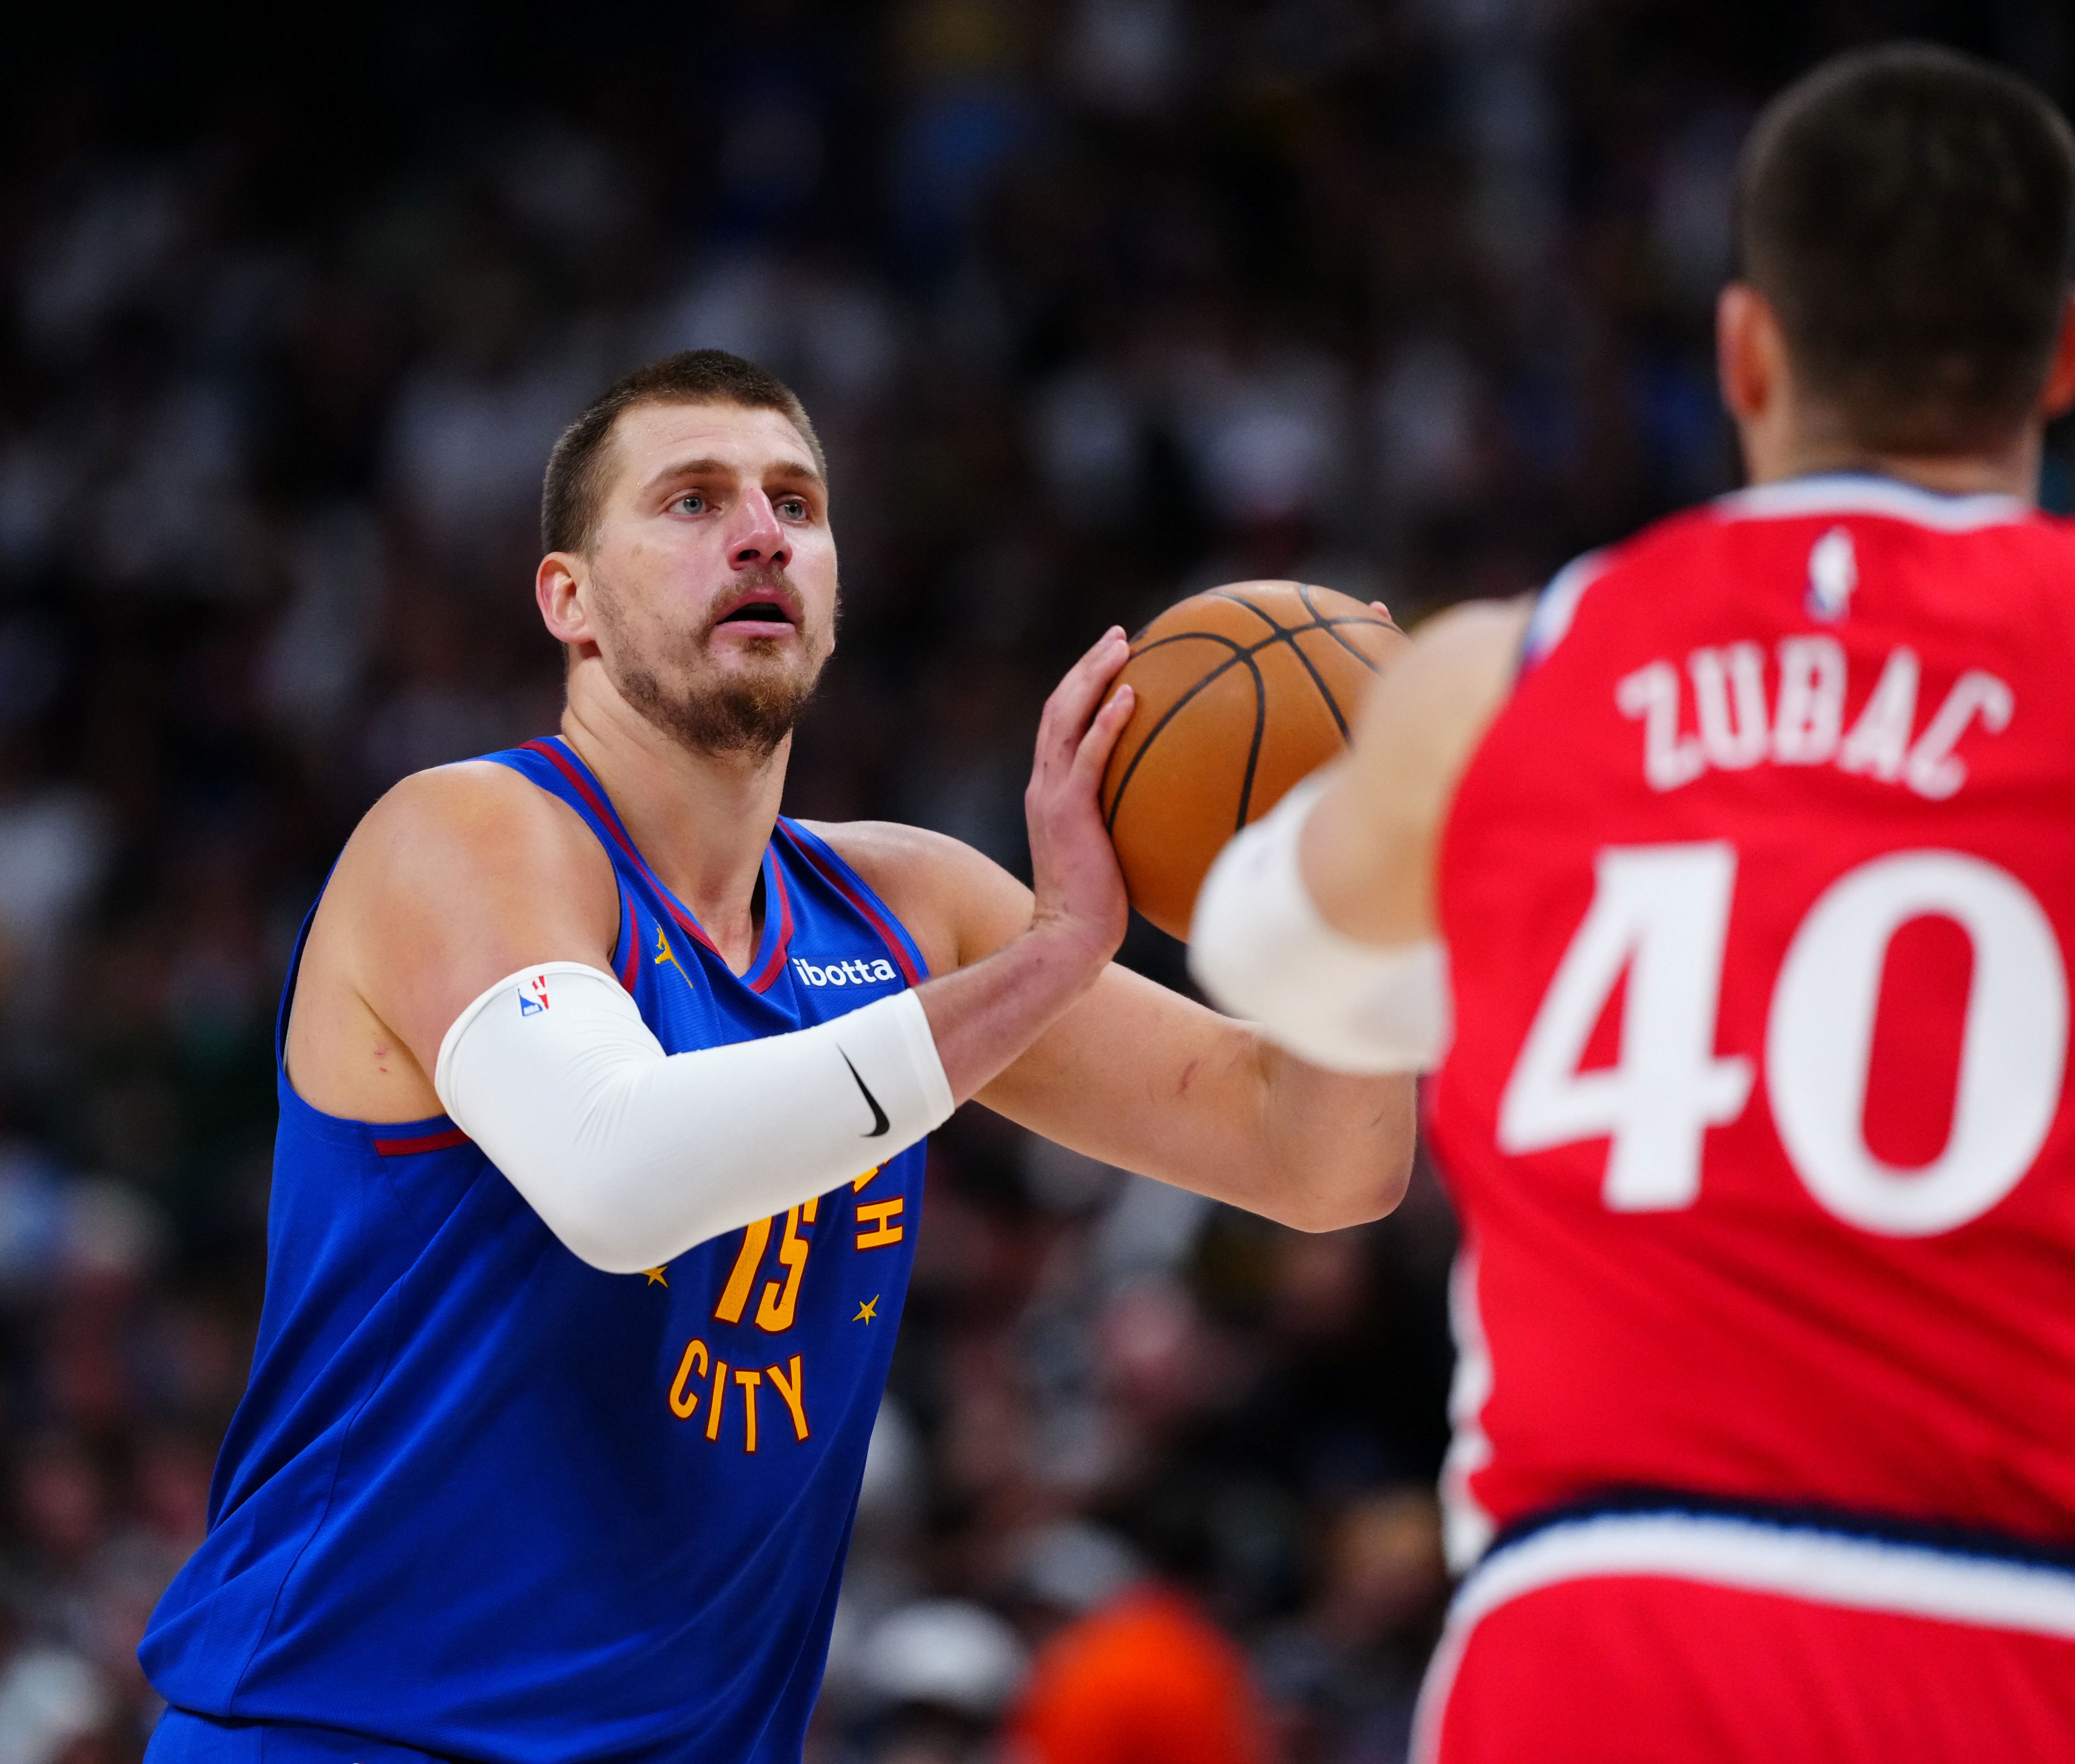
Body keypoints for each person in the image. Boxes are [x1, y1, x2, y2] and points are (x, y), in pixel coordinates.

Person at [135, 349, 1415, 1764]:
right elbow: (617, 1175)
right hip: (352, 1735)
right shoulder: (463, 838)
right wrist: (1045, 963)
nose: (759, 533)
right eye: (690, 501)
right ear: (569, 601)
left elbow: (1320, 1161)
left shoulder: (907, 907)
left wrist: (1370, 893)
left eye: (795, 505)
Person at [1188, 44, 2075, 1762]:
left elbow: (1269, 959)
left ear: (1745, 348)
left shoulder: (1501, 671)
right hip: (2045, 1622)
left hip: (1602, 1624)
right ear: (2066, 350)